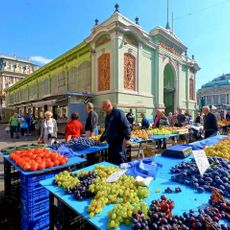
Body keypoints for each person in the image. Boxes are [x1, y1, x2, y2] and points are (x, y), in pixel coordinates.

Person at [97, 99, 131, 165]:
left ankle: (122, 174)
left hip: (119, 143)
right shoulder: (107, 116)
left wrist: (127, 138)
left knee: (120, 162)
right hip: (111, 144)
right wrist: (101, 139)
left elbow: (126, 125)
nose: (102, 108)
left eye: (103, 107)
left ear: (109, 105)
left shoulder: (118, 113)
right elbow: (106, 130)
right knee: (112, 162)